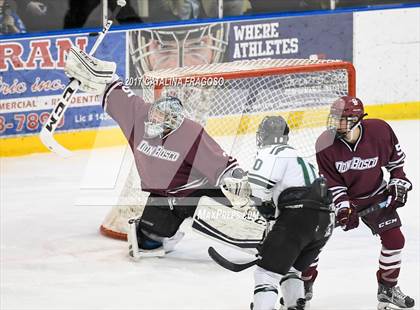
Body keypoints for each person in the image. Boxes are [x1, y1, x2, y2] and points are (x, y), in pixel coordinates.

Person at [63, 45, 249, 258]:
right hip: (163, 196)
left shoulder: (189, 132)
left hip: (197, 193)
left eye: (162, 119)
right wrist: (95, 73)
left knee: (242, 230)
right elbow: (112, 86)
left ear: (173, 123)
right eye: (155, 115)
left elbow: (224, 167)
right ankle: (170, 233)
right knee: (145, 243)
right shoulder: (139, 116)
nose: (154, 120)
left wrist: (239, 189)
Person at [313, 96, 415, 309]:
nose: (336, 123)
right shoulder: (325, 143)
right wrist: (343, 207)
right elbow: (333, 185)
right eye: (335, 118)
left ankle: (387, 289)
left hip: (376, 195)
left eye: (342, 119)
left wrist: (398, 182)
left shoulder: (380, 131)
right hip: (341, 200)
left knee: (395, 240)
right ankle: (300, 291)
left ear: (358, 119)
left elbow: (396, 165)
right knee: (311, 242)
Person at [247, 116, 334, 310]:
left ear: (263, 135)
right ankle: (295, 305)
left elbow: (257, 188)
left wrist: (268, 212)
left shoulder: (269, 152)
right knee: (291, 270)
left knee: (266, 274)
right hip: (326, 222)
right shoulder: (301, 157)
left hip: (298, 218)